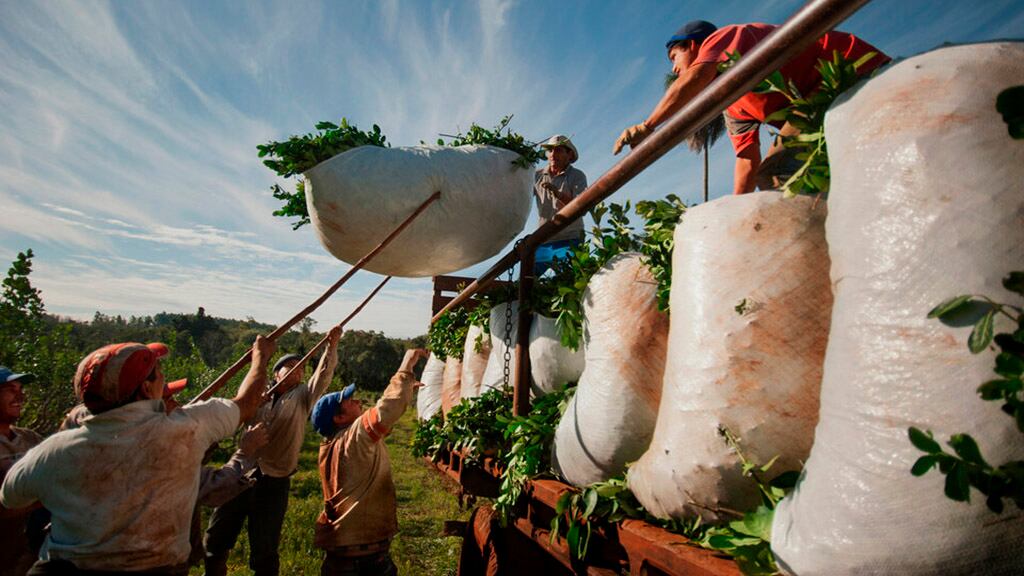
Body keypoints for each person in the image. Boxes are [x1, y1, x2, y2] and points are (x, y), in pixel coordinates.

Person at [0, 337, 272, 575]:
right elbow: (246, 403)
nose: (164, 378)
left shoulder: (54, 451)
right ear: (145, 388)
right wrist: (261, 358)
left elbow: (10, 497)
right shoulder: (183, 429)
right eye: (159, 372)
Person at [613, 20, 890, 194]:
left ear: (694, 45)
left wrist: (647, 126)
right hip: (816, 107)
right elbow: (746, 161)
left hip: (850, 70)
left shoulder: (726, 38)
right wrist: (735, 211)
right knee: (769, 174)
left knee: (777, 172)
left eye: (675, 56)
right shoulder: (733, 106)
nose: (674, 68)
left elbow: (696, 77)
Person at [204, 326, 342, 576]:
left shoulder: (303, 396)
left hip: (274, 481)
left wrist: (331, 346)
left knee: (265, 548)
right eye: (290, 365)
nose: (298, 369)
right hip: (241, 473)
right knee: (217, 537)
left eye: (301, 367)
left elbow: (322, 375)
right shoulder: (257, 394)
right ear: (276, 373)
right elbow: (235, 411)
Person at [310, 348, 428, 576]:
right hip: (363, 562)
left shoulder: (332, 444)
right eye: (349, 401)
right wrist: (406, 365)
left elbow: (381, 425)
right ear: (339, 418)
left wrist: (405, 392)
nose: (357, 401)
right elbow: (387, 408)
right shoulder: (354, 437)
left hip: (342, 558)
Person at [0, 367, 43, 576]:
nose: (20, 395)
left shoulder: (30, 439)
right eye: (10, 389)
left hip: (28, 556)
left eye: (20, 389)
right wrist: (41, 501)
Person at [533, 134, 588, 275]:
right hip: (544, 240)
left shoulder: (577, 176)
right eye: (550, 150)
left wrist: (557, 193)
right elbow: (520, 196)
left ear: (569, 154)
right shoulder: (537, 176)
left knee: (569, 280)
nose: (552, 154)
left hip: (570, 239)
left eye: (558, 150)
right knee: (527, 279)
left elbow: (581, 207)